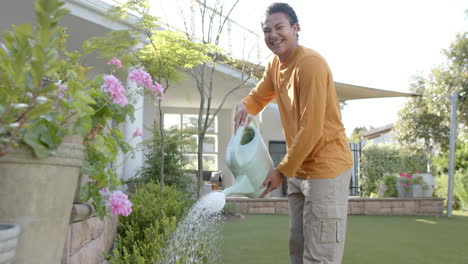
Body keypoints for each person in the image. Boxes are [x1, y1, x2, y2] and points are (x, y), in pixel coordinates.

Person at [233, 3, 353, 264]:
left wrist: (281, 171)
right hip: (300, 169)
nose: (273, 35)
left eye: (279, 27)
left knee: (320, 256)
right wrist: (244, 106)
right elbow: (258, 96)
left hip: (326, 169)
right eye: (267, 30)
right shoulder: (275, 66)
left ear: (295, 29)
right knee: (297, 251)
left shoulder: (310, 65)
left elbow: (311, 129)